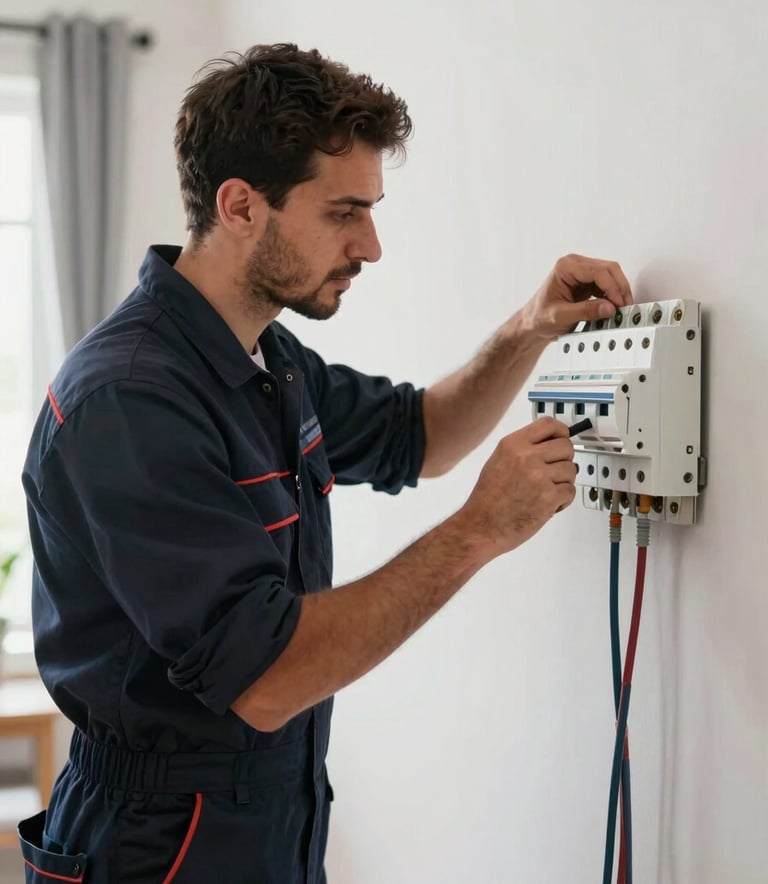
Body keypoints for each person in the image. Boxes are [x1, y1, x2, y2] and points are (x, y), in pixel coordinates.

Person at [19, 43, 631, 884]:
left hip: (274, 817)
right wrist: (480, 532)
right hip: (157, 845)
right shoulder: (129, 402)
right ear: (240, 206)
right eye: (344, 212)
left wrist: (528, 325)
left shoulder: (268, 359)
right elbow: (267, 681)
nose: (371, 245)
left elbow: (425, 433)